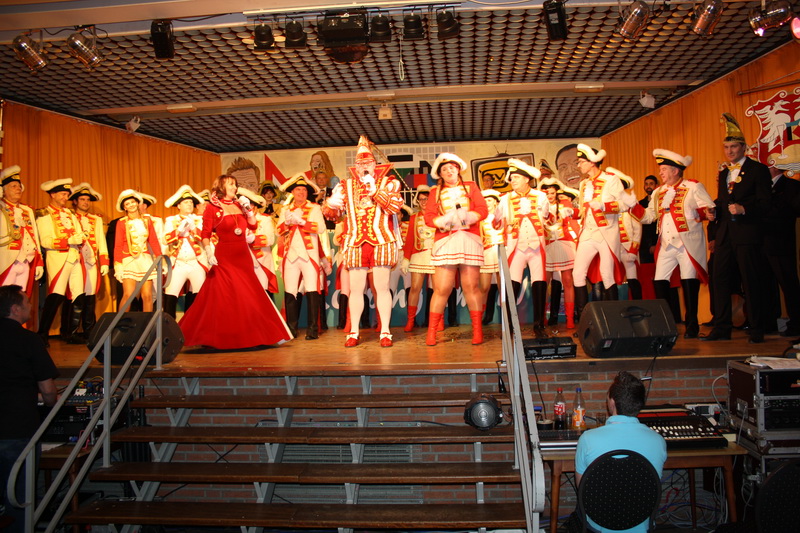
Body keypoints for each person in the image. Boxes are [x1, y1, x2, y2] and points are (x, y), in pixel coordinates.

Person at [179, 175, 292, 349]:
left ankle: (255, 335)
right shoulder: (212, 207)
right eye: (231, 184)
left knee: (248, 293)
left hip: (242, 255)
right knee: (222, 295)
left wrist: (248, 211)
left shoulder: (239, 204)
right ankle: (215, 336)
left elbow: (252, 226)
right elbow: (205, 233)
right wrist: (208, 251)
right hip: (225, 255)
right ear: (221, 186)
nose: (234, 187)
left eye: (235, 184)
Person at [323, 136, 404, 348]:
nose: (364, 167)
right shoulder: (346, 186)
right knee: (356, 289)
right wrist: (330, 204)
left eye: (367, 163)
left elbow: (394, 207)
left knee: (382, 287)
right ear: (355, 166)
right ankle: (354, 331)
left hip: (381, 240)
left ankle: (385, 331)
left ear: (375, 164)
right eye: (360, 164)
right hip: (355, 241)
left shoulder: (389, 182)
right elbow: (334, 216)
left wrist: (375, 191)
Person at [702, 114, 771, 343]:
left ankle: (757, 328)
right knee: (719, 279)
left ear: (743, 147)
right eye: (726, 147)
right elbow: (724, 202)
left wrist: (745, 209)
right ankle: (722, 327)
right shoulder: (724, 173)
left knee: (751, 281)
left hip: (747, 234)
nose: (729, 151)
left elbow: (766, 203)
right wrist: (713, 211)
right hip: (725, 236)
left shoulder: (757, 170)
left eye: (733, 147)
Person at [575, 370, 667, 533]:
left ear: (612, 402)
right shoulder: (658, 441)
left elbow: (583, 489)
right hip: (641, 523)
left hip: (599, 524)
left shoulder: (588, 439)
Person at [0, 285, 59, 533]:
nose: (31, 307)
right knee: (19, 498)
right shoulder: (28, 339)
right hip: (18, 428)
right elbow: (47, 389)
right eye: (27, 303)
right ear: (15, 309)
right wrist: (52, 404)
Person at [642, 150, 715, 338]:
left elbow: (708, 207)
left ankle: (692, 324)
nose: (661, 172)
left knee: (688, 281)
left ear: (675, 170)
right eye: (660, 169)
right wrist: (630, 206)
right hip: (666, 244)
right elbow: (649, 216)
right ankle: (664, 324)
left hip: (686, 244)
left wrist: (705, 212)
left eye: (664, 169)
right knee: (659, 281)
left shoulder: (693, 187)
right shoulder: (658, 192)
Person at [423, 152, 488, 345]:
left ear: (458, 169)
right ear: (440, 174)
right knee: (441, 288)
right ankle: (431, 332)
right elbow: (429, 217)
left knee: (471, 287)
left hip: (469, 239)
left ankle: (477, 331)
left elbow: (483, 209)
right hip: (446, 241)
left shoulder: (471, 186)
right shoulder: (435, 192)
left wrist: (468, 216)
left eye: (452, 167)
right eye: (444, 169)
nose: (449, 171)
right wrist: (443, 220)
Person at [572, 144, 631, 318]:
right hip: (588, 232)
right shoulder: (583, 184)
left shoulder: (611, 179)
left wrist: (604, 206)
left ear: (592, 162)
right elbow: (584, 211)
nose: (578, 165)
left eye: (581, 162)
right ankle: (584, 319)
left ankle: (613, 318)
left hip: (606, 233)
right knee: (578, 273)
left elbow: (624, 204)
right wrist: (572, 213)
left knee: (607, 274)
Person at [494, 159, 551, 337]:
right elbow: (496, 223)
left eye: (517, 177)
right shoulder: (505, 199)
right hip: (516, 247)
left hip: (536, 246)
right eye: (511, 178)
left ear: (527, 179)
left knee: (539, 284)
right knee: (512, 285)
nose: (513, 180)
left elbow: (548, 218)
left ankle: (539, 325)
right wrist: (498, 217)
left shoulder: (540, 196)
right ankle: (509, 325)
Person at [36, 179, 85, 346]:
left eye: (67, 195)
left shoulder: (71, 214)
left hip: (74, 256)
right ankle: (42, 333)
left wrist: (80, 237)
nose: (65, 197)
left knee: (78, 295)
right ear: (53, 194)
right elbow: (45, 241)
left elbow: (79, 232)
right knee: (56, 296)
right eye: (63, 194)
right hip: (58, 257)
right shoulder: (44, 214)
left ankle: (69, 333)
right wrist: (67, 241)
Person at [277, 174, 326, 340]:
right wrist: (287, 223)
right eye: (298, 189)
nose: (301, 192)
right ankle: (291, 329)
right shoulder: (285, 209)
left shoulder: (314, 208)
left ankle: (312, 329)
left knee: (312, 290)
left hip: (309, 255)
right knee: (290, 292)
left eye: (304, 190)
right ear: (292, 192)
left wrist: (302, 222)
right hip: (290, 254)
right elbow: (278, 231)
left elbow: (321, 228)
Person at [66, 183, 108, 341]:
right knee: (75, 296)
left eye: (87, 200)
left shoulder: (95, 219)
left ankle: (89, 331)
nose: (85, 202)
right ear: (75, 201)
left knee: (90, 296)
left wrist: (104, 261)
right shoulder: (68, 217)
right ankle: (71, 332)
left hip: (91, 261)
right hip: (75, 261)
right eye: (82, 199)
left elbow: (101, 240)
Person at [762, 165, 800, 338]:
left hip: (780, 241)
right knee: (766, 284)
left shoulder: (790, 185)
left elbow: (792, 209)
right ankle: (769, 321)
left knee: (788, 283)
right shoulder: (761, 186)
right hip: (762, 241)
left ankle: (796, 323)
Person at [162, 185, 208, 318]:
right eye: (186, 202)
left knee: (199, 297)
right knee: (170, 296)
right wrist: (177, 231)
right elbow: (165, 240)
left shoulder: (199, 220)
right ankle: (169, 326)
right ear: (179, 206)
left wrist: (194, 229)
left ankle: (195, 326)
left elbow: (204, 237)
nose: (189, 204)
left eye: (191, 202)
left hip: (196, 263)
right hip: (178, 264)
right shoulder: (171, 220)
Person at [113, 190, 162, 313]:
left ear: (137, 203)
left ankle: (148, 323)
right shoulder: (121, 222)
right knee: (128, 295)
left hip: (145, 259)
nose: (131, 205)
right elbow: (118, 245)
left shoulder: (147, 220)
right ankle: (120, 322)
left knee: (147, 295)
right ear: (124, 208)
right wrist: (118, 265)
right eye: (127, 204)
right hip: (129, 259)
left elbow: (153, 241)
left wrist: (160, 259)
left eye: (132, 202)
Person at [0, 166, 43, 299]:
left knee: (21, 298)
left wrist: (39, 262)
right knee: (5, 298)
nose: (18, 189)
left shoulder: (27, 210)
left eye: (19, 186)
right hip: (7, 260)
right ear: (3, 190)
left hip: (26, 260)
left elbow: (35, 237)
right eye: (13, 186)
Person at [401, 185, 434, 332]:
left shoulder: (438, 216)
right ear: (417, 201)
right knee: (415, 288)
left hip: (434, 255)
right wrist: (406, 259)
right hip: (418, 255)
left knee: (437, 290)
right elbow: (409, 240)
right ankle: (410, 320)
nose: (424, 202)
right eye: (421, 199)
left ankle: (437, 320)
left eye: (426, 199)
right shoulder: (414, 218)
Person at [238, 187, 278, 296]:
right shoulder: (238, 220)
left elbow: (270, 239)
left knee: (263, 295)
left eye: (248, 205)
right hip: (243, 263)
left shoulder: (265, 219)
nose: (245, 208)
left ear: (254, 206)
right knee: (245, 295)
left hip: (262, 262)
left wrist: (254, 239)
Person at [479, 189, 504, 325]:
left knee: (502, 287)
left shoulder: (502, 216)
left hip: (501, 251)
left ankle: (506, 317)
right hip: (487, 252)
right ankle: (480, 317)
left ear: (495, 202)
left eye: (489, 200)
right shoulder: (481, 218)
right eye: (485, 201)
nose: (487, 203)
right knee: (484, 287)